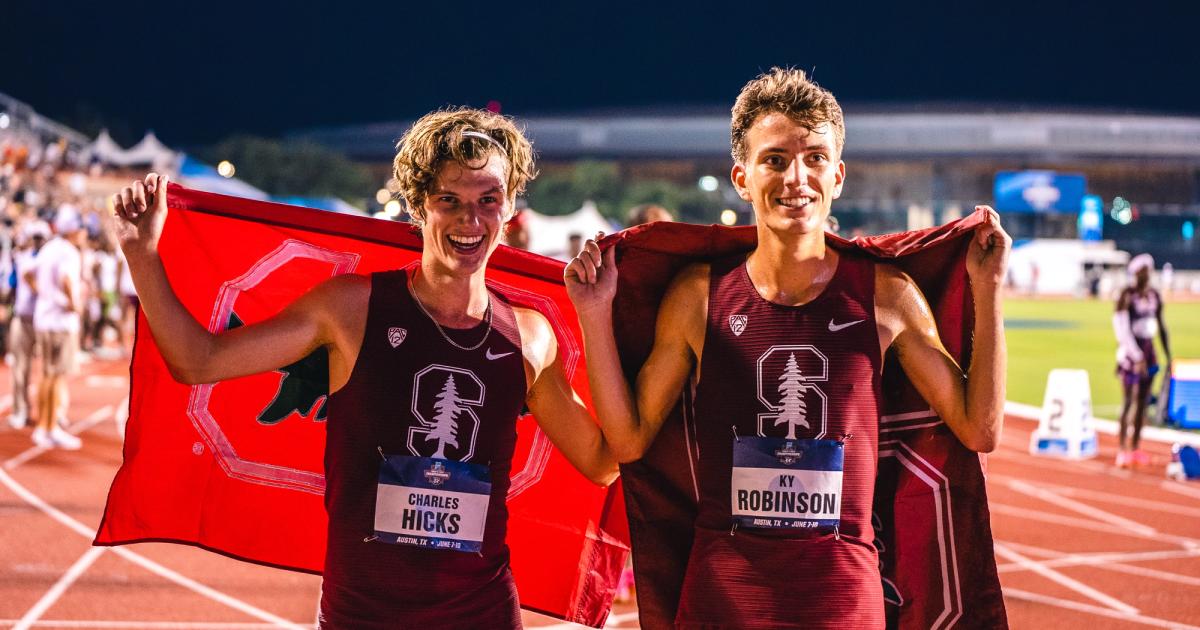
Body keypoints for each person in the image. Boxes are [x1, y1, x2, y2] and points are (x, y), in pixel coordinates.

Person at [111, 108, 619, 629]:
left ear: (509, 207)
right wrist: (142, 254)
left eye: (488, 200)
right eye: (450, 200)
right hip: (362, 615)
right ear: (420, 205)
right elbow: (199, 361)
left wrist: (597, 317)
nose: (471, 220)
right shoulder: (350, 309)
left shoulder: (530, 337)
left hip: (482, 613)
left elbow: (602, 462)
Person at [565, 68, 1009, 628]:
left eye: (815, 158)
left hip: (842, 601)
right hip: (722, 598)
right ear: (742, 177)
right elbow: (628, 442)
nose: (797, 177)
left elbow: (979, 429)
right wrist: (593, 313)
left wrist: (988, 290)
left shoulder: (887, 298)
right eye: (774, 159)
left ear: (839, 175)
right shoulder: (698, 296)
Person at [30, 207, 88, 449]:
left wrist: (45, 295)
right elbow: (66, 279)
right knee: (56, 377)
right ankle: (49, 427)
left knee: (46, 374)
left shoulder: (49, 247)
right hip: (60, 322)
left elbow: (28, 273)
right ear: (73, 229)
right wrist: (73, 305)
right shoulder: (68, 252)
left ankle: (43, 426)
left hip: (43, 318)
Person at [1113, 253, 1171, 467]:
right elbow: (1122, 329)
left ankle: (1135, 447)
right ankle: (1121, 449)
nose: (1146, 276)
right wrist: (1135, 356)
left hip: (1149, 350)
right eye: (1142, 272)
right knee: (1129, 401)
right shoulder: (1126, 295)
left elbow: (1161, 326)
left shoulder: (1154, 295)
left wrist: (1168, 353)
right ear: (1136, 273)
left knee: (1143, 403)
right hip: (1130, 353)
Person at [8, 219, 49, 429]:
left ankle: (50, 413)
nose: (37, 242)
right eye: (35, 238)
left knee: (49, 370)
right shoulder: (22, 258)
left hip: (44, 320)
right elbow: (12, 284)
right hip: (23, 318)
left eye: (40, 238)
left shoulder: (50, 260)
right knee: (20, 367)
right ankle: (20, 409)